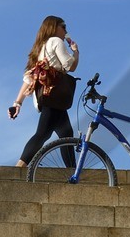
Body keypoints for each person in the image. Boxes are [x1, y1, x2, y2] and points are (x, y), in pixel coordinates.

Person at [8, 15, 79, 168]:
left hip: (48, 97)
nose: (66, 30)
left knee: (66, 134)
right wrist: (75, 52)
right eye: (63, 26)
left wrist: (17, 103)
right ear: (54, 27)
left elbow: (29, 79)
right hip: (54, 95)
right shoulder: (56, 41)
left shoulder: (40, 48)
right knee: (42, 134)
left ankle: (73, 173)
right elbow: (70, 66)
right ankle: (18, 168)